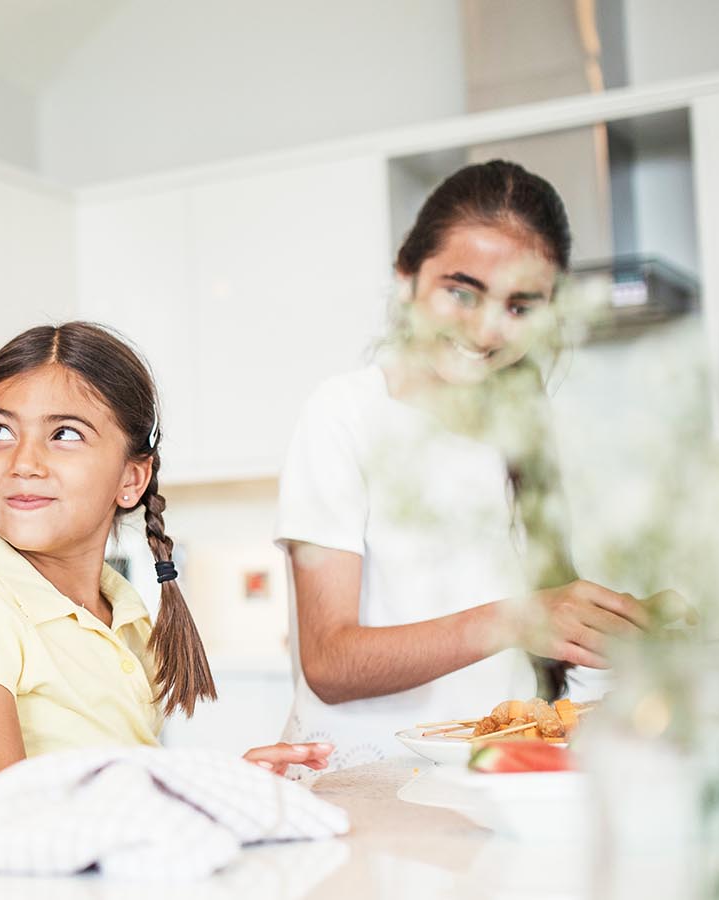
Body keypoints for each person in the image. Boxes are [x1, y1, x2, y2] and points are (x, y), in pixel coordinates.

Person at [276, 160, 650, 770]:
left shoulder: (531, 434)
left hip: (490, 778)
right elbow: (329, 664)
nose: (485, 328)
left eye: (521, 305)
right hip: (357, 786)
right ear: (406, 278)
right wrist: (522, 618)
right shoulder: (344, 413)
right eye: (461, 291)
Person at [0, 322, 332, 792]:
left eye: (65, 434)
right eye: (0, 430)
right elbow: (2, 812)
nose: (23, 462)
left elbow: (126, 788)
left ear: (131, 480)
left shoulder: (125, 612)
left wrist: (219, 786)